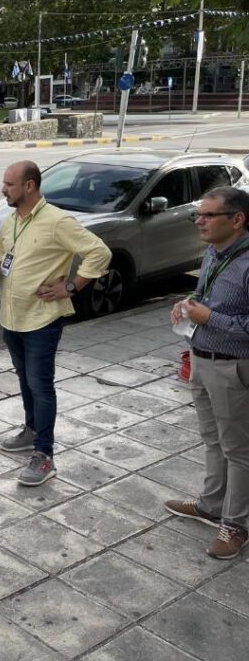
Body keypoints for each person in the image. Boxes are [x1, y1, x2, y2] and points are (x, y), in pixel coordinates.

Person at [0, 161, 111, 486]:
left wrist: (71, 286)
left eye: (9, 184)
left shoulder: (57, 221)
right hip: (11, 317)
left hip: (41, 320)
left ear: (29, 186)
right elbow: (4, 257)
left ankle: (44, 455)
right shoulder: (11, 220)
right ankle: (31, 431)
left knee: (41, 386)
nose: (3, 189)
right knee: (25, 380)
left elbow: (99, 252)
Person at [165, 186, 249, 559]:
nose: (199, 221)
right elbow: (206, 296)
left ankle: (237, 525)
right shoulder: (214, 251)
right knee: (212, 439)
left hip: (232, 367)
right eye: (197, 215)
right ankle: (212, 505)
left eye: (208, 215)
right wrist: (187, 305)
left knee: (238, 449)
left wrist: (208, 317)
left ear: (237, 219)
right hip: (200, 359)